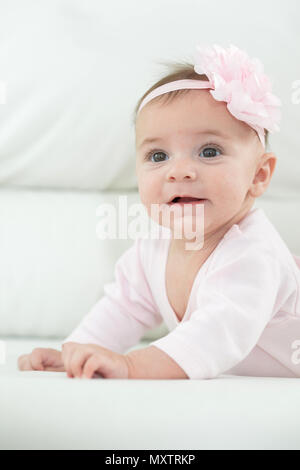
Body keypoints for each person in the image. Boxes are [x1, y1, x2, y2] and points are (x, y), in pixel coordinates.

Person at [18, 44, 300, 380]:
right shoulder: (155, 245)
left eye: (209, 151)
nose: (179, 171)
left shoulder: (253, 255)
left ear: (258, 175)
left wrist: (133, 365)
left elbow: (217, 333)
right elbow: (124, 305)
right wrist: (77, 352)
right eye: (158, 156)